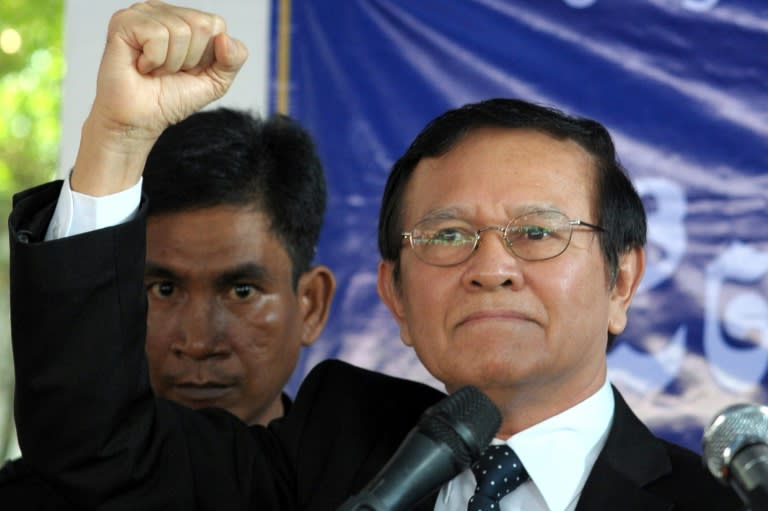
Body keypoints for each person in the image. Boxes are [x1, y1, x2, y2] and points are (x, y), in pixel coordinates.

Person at [6, 1, 741, 510]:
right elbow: (94, 441)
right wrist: (116, 142)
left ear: (622, 277)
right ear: (394, 294)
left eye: (537, 232)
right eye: (448, 236)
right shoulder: (334, 445)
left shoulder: (718, 501)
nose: (491, 266)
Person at [0, 11, 334, 510]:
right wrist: (116, 141)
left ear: (309, 304)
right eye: (163, 290)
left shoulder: (378, 484)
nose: (197, 342)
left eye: (240, 291)